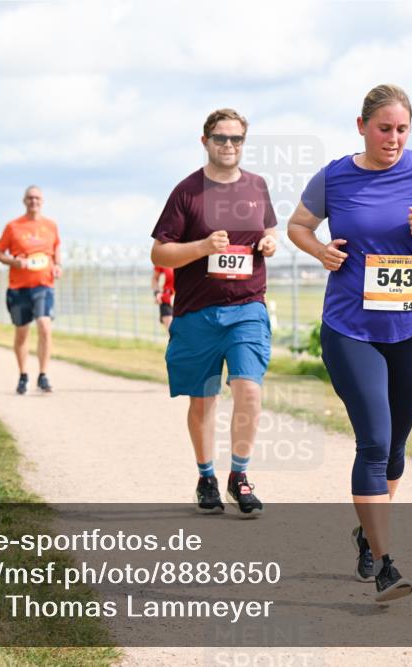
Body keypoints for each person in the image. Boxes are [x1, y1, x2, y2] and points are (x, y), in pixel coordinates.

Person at [287, 84, 412, 602]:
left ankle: (368, 535)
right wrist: (320, 250)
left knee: (393, 449)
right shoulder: (336, 176)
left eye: (402, 129)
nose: (393, 138)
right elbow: (298, 224)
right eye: (383, 128)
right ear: (362, 126)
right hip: (350, 329)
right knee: (373, 440)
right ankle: (387, 563)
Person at [150, 108, 277, 518]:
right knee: (203, 401)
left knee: (249, 389)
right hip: (198, 314)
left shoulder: (257, 186)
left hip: (247, 308)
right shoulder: (187, 191)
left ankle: (239, 476)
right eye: (221, 138)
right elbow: (160, 252)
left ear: (244, 142)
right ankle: (206, 477)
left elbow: (268, 231)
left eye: (236, 139)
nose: (228, 146)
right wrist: (202, 247)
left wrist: (271, 243)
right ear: (204, 141)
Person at [0, 186, 62, 394]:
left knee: (44, 325)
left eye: (37, 198)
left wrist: (58, 264)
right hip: (18, 287)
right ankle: (23, 374)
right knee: (22, 332)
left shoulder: (51, 225)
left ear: (42, 201)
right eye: (30, 198)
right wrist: (13, 261)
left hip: (44, 285)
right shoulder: (13, 226)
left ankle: (43, 375)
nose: (34, 201)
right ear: (24, 201)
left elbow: (57, 247)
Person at [152, 264, 175, 330]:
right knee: (173, 333)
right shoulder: (163, 257)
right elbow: (154, 279)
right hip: (167, 301)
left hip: (185, 300)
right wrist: (157, 293)